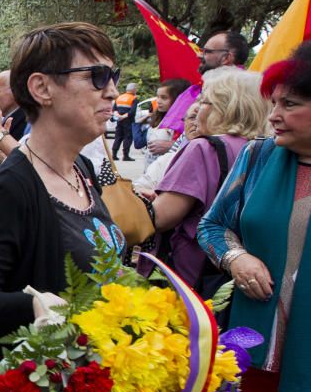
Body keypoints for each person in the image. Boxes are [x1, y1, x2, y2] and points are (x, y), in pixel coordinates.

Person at [188, 42, 311, 392]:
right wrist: (236, 257)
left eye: (289, 104)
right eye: (273, 103)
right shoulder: (259, 156)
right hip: (257, 321)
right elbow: (213, 226)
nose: (275, 115)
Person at [0, 22, 124, 388]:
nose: (113, 91)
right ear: (42, 88)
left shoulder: (84, 168)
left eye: (114, 76)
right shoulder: (13, 187)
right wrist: (36, 305)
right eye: (97, 76)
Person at [138, 67, 268, 288]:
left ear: (226, 107)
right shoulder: (260, 149)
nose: (195, 108)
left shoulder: (204, 148)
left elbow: (160, 218)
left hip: (188, 277)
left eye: (204, 101)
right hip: (231, 279)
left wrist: (135, 200)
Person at [142, 78, 192, 165]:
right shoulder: (158, 117)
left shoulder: (186, 122)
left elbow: (193, 148)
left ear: (178, 99)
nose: (158, 101)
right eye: (158, 96)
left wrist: (173, 146)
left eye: (164, 98)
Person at [112, 82, 138, 160]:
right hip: (128, 121)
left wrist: (119, 116)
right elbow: (132, 111)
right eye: (136, 89)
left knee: (118, 137)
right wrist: (123, 116)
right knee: (128, 137)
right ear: (133, 90)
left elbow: (114, 109)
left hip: (119, 121)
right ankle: (125, 156)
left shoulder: (119, 97)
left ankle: (114, 155)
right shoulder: (133, 98)